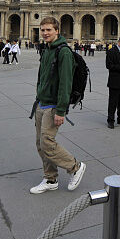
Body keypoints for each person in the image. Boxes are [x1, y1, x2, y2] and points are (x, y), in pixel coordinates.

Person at [29, 17, 87, 194]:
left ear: (57, 31)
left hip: (54, 105)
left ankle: (75, 167)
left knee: (47, 141)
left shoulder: (63, 52)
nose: (45, 33)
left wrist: (61, 110)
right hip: (42, 102)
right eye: (43, 30)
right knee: (41, 144)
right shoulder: (46, 50)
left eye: (49, 30)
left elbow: (65, 84)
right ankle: (50, 178)